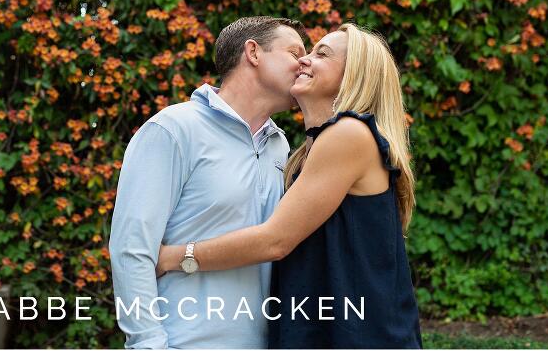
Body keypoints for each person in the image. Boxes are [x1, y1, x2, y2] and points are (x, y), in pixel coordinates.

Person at [157, 23, 423, 349]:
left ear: (354, 76)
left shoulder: (349, 134)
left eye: (321, 54)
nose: (304, 61)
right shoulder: (298, 153)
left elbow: (275, 240)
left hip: (362, 335)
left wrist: (173, 257)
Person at [110, 16, 308, 348]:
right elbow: (132, 250)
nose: (305, 63)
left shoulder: (281, 145)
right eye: (295, 52)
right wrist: (148, 343)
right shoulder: (173, 129)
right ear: (253, 53)